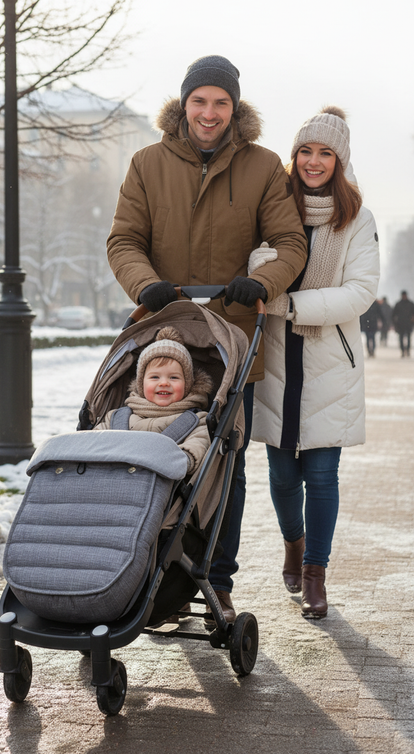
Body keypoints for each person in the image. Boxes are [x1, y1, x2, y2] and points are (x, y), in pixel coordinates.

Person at [107, 55, 308, 622]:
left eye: (221, 102)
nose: (210, 112)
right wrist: (147, 286)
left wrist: (260, 281)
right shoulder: (147, 164)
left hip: (231, 336)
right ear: (184, 105)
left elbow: (290, 242)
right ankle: (131, 567)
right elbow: (124, 240)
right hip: (159, 331)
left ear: (235, 108)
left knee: (226, 461)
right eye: (201, 101)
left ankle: (217, 578)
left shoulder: (264, 166)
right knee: (138, 450)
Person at [251, 106, 380, 619]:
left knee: (322, 477)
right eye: (306, 150)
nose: (313, 161)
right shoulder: (273, 207)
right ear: (294, 155)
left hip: (330, 360)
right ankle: (293, 545)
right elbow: (256, 262)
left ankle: (315, 573)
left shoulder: (358, 219)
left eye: (325, 152)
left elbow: (360, 291)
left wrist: (290, 303)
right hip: (278, 357)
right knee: (283, 476)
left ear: (339, 161)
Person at [96, 326, 213, 478]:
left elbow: (198, 443)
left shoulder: (197, 421)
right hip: (114, 481)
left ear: (188, 384)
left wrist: (184, 459)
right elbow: (94, 441)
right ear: (141, 384)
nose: (164, 383)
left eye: (174, 377)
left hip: (163, 485)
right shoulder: (116, 418)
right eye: (155, 377)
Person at [392, 291, 414, 357]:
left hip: (408, 323)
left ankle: (407, 350)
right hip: (400, 324)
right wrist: (395, 323)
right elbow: (393, 314)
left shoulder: (410, 304)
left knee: (408, 338)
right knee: (401, 338)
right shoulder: (398, 304)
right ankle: (402, 351)